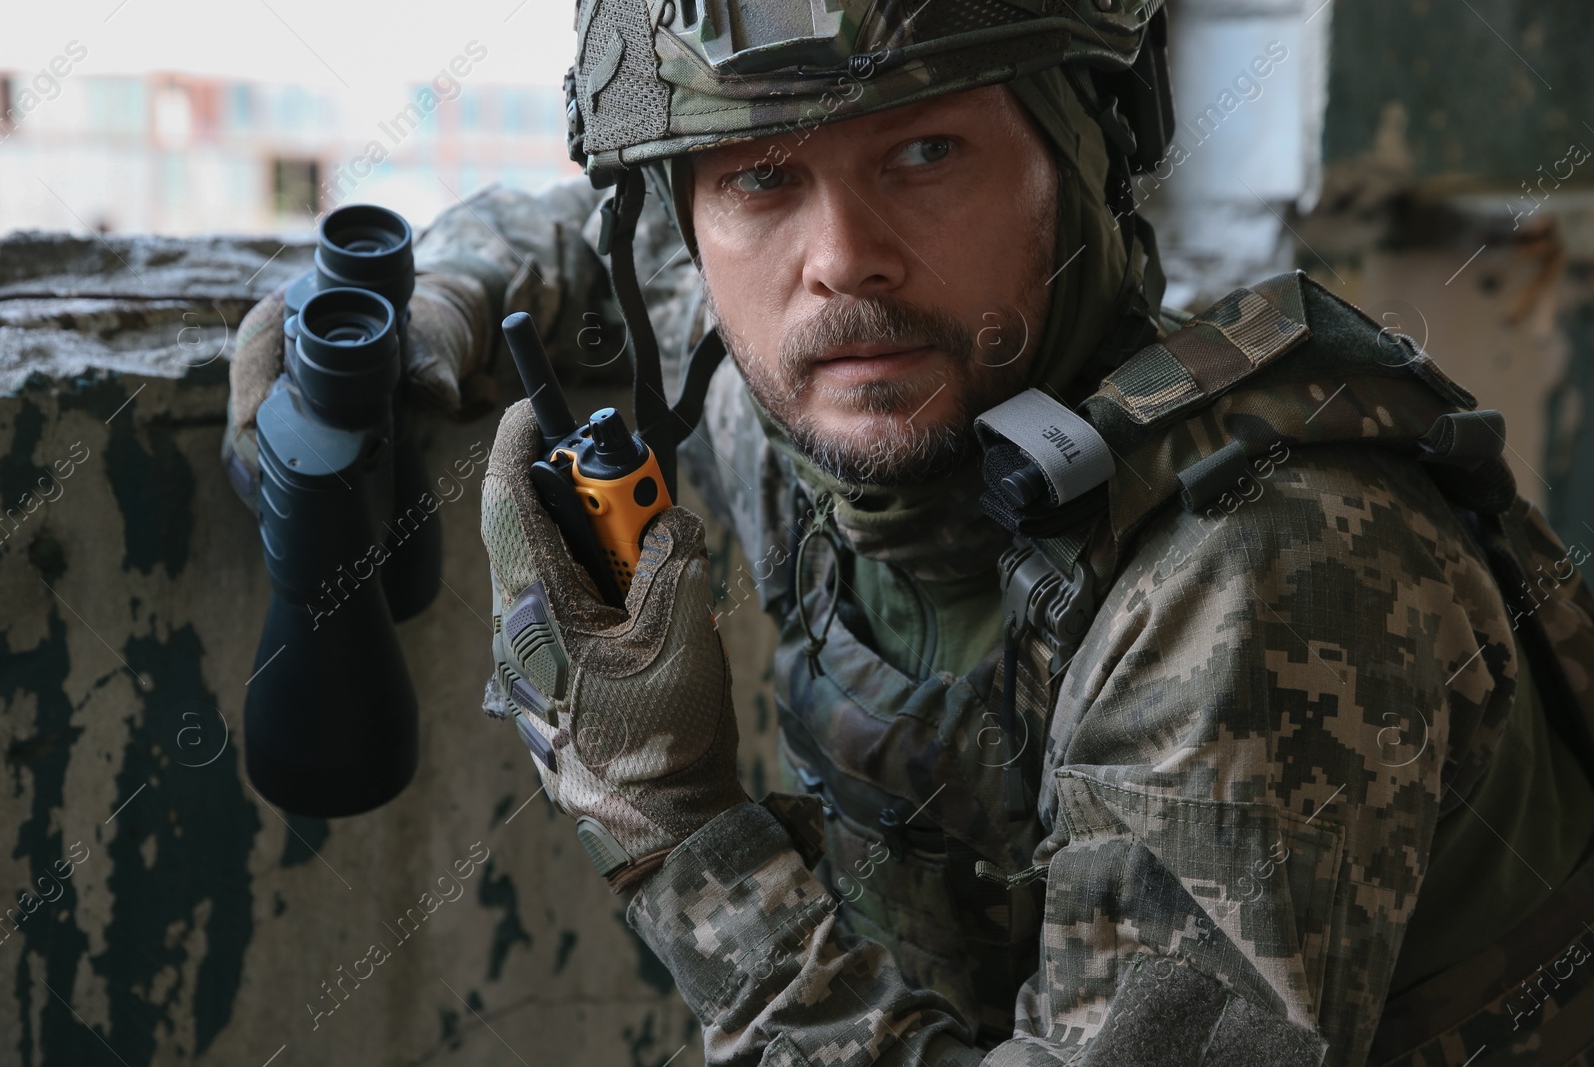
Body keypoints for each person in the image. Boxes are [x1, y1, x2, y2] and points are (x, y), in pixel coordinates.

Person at [223, 2, 1594, 1063]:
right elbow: (602, 244)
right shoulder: (830, 391)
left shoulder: (1258, 579)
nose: (841, 258)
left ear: (1082, 161)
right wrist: (439, 310)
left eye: (926, 153)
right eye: (760, 179)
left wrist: (676, 832)